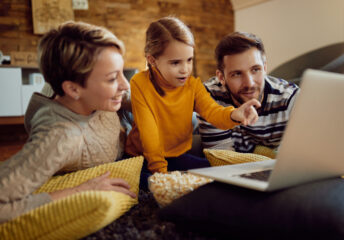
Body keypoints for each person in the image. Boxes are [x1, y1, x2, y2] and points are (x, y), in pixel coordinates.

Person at [0, 21, 137, 223]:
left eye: (122, 73)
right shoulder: (60, 137)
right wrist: (81, 190)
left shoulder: (81, 90)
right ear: (73, 90)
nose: (125, 85)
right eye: (112, 79)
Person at [125, 17, 260, 176]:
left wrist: (234, 114)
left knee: (218, 175)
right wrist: (161, 175)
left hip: (175, 157)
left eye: (189, 60)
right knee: (151, 187)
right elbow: (149, 133)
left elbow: (212, 111)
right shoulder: (140, 83)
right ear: (152, 60)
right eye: (176, 63)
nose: (185, 69)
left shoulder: (193, 85)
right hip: (140, 158)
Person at [198, 32, 300, 153]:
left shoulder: (290, 98)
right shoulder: (209, 96)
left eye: (255, 70)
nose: (249, 83)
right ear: (221, 77)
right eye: (237, 74)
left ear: (265, 68)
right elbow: (222, 158)